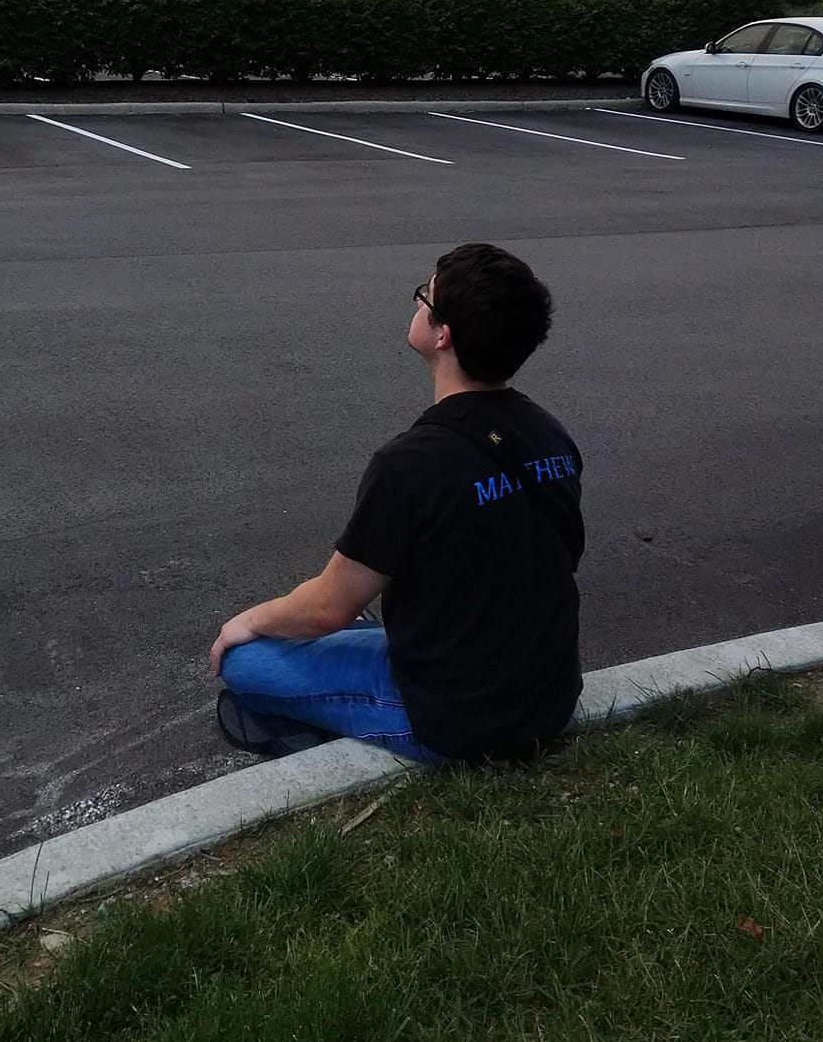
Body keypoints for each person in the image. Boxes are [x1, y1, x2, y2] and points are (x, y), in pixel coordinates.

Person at [209, 241, 583, 765]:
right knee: (359, 611)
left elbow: (325, 609)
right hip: (549, 697)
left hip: (457, 719)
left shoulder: (410, 465)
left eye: (423, 300)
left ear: (441, 335)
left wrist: (248, 622)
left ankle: (336, 728)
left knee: (246, 662)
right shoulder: (551, 436)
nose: (417, 307)